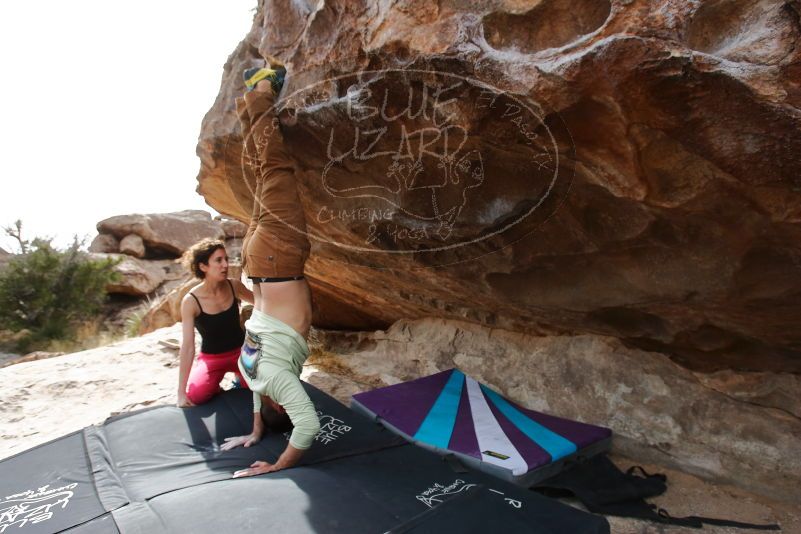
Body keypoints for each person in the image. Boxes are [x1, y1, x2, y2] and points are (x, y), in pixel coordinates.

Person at [220, 63, 320, 477]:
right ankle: (249, 105)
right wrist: (254, 431)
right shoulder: (252, 373)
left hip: (279, 258)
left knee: (276, 169)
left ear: (283, 401)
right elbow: (258, 399)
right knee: (265, 173)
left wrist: (276, 465)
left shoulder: (277, 381)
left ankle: (260, 91)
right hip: (257, 262)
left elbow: (308, 426)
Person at [177, 239, 254, 407]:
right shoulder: (191, 301)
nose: (225, 264)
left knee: (260, 389)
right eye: (218, 260)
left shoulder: (234, 286)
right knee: (196, 396)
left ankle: (240, 380)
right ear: (203, 266)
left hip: (242, 353)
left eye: (226, 259)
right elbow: (188, 347)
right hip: (212, 358)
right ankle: (219, 383)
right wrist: (181, 393)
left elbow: (262, 304)